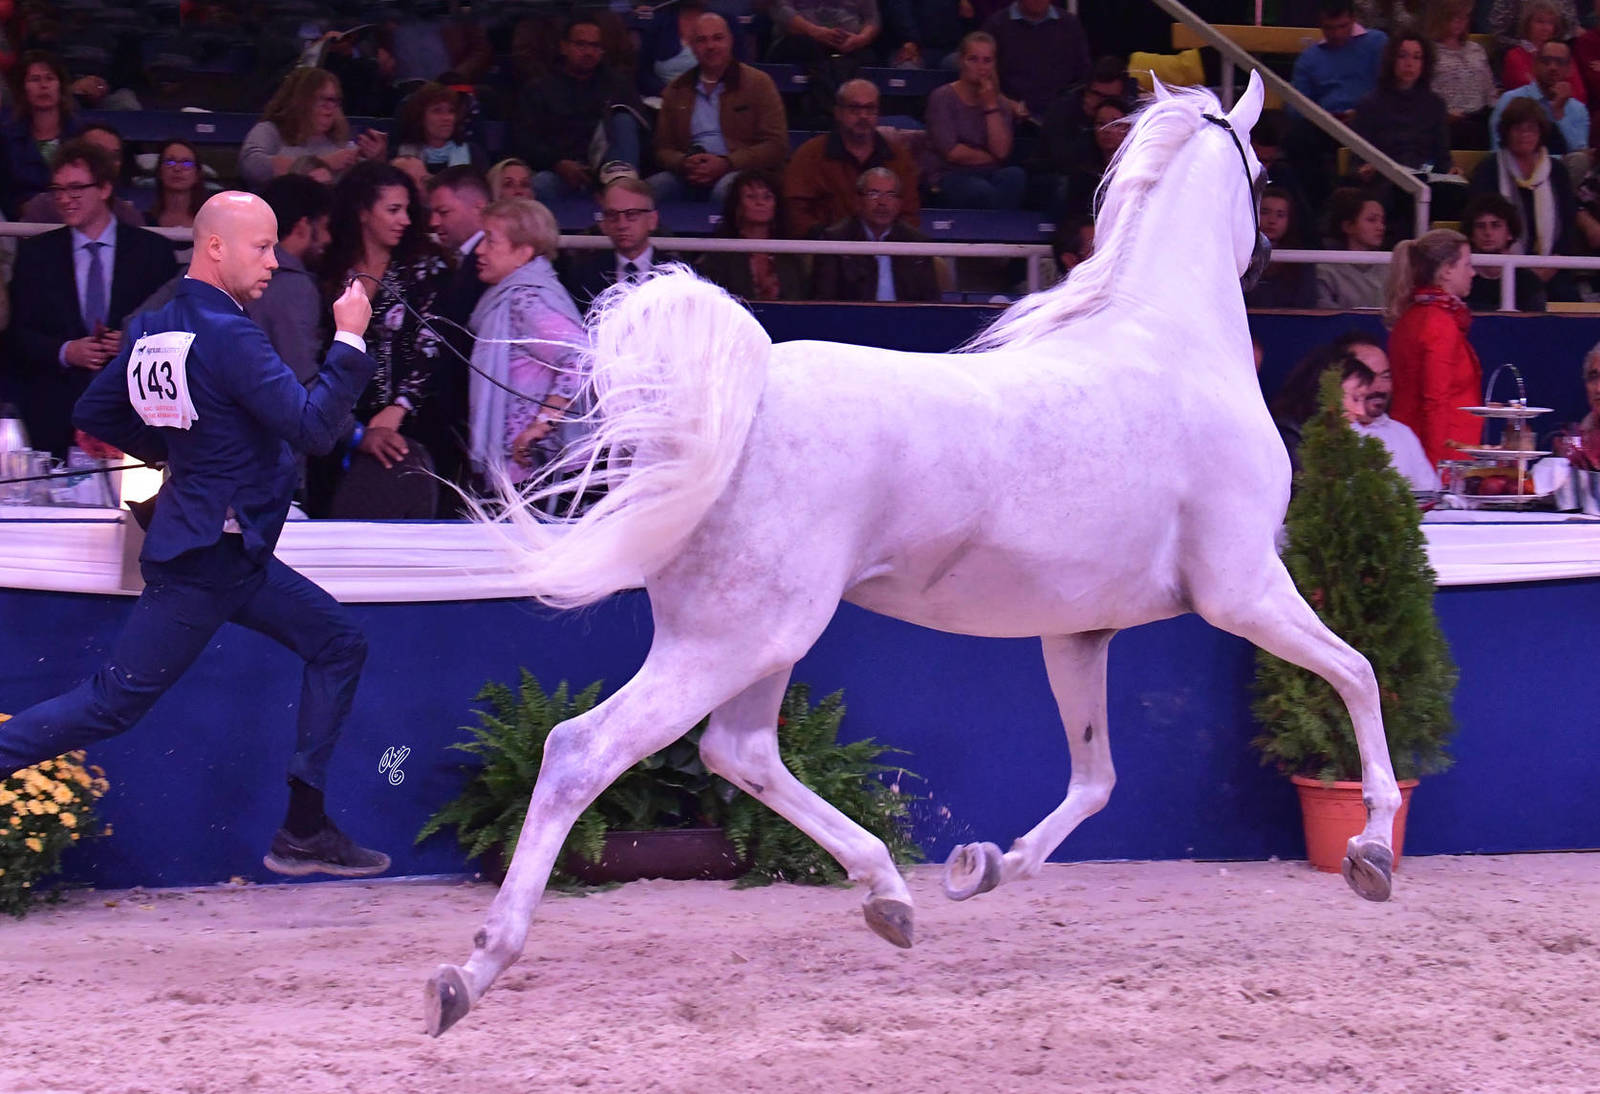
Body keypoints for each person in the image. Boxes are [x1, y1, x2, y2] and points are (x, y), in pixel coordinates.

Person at [0, 191, 390, 879]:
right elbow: (314, 429)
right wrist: (351, 338)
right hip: (208, 558)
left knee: (338, 642)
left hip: (224, 551)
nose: (274, 260)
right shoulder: (230, 334)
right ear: (215, 247)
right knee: (111, 704)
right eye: (261, 246)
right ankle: (302, 828)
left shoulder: (154, 324)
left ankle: (303, 825)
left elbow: (96, 408)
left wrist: (182, 450)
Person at [6, 140, 178, 456]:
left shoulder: (153, 252)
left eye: (75, 189)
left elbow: (176, 331)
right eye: (58, 191)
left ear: (104, 188)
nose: (64, 200)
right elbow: (18, 335)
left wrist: (132, 342)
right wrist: (65, 351)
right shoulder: (36, 254)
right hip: (54, 419)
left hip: (135, 416)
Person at [312, 162, 450, 519]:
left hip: (410, 423)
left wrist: (400, 406)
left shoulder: (424, 266)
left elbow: (432, 344)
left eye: (407, 210)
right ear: (362, 213)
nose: (404, 219)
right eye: (393, 210)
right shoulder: (328, 270)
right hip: (340, 426)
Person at [467, 197, 587, 484]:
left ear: (523, 252)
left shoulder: (527, 300)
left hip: (534, 471)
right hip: (523, 471)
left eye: (490, 241)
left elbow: (582, 358)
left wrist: (542, 424)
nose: (479, 251)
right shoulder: (511, 295)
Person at [650, 14, 789, 204]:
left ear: (730, 41)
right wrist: (683, 162)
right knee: (648, 191)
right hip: (690, 173)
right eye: (701, 40)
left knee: (726, 190)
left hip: (743, 171)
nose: (710, 46)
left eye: (718, 38)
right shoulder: (676, 89)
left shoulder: (759, 83)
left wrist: (727, 163)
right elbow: (663, 149)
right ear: (692, 47)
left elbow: (776, 145)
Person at [515, 17, 643, 203]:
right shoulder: (540, 88)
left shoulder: (619, 86)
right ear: (563, 47)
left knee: (624, 120)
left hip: (610, 175)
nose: (589, 52)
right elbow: (524, 141)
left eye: (595, 46)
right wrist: (557, 163)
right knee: (540, 184)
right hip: (560, 173)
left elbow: (638, 135)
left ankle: (620, 198)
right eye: (581, 45)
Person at [1384, 227, 1483, 466]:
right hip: (1442, 460)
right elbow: (1435, 403)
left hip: (1421, 451)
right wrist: (1435, 470)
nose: (1473, 273)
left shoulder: (1411, 317)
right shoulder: (1439, 324)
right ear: (1447, 270)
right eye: (1467, 265)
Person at [784, 79, 921, 239]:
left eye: (870, 109)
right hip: (824, 249)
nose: (863, 116)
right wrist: (826, 240)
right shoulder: (810, 155)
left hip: (883, 247)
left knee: (937, 264)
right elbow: (794, 210)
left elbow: (909, 212)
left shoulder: (898, 157)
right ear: (838, 112)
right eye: (854, 109)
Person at [1470, 96, 1578, 299]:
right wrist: (1515, 268)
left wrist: (1551, 265)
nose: (1525, 135)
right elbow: (1478, 221)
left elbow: (1568, 225)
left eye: (1531, 129)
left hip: (1553, 269)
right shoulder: (1489, 169)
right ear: (1506, 132)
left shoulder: (1558, 172)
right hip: (1499, 270)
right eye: (1518, 129)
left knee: (1566, 297)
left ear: (1540, 132)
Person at [922, 32, 1026, 210]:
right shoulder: (942, 97)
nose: (981, 67)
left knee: (1015, 176)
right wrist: (990, 158)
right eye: (973, 59)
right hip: (949, 174)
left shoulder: (999, 102)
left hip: (988, 173)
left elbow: (1001, 152)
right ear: (961, 61)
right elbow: (952, 152)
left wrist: (990, 106)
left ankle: (999, 233)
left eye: (987, 60)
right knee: (981, 191)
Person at [239, 68, 388, 191]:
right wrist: (322, 163)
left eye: (334, 101)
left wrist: (377, 160)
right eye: (322, 100)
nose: (330, 108)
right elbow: (252, 167)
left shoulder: (341, 144)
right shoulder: (270, 131)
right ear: (299, 101)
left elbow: (370, 193)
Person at [248, 174, 333, 383]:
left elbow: (153, 314)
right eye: (324, 227)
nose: (327, 238)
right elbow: (302, 379)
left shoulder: (212, 264)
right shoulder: (295, 287)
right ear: (303, 227)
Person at [811, 166, 939, 302]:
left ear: (899, 203)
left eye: (890, 195)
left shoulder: (916, 243)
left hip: (905, 320)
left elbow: (931, 303)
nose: (882, 202)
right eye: (873, 194)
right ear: (858, 200)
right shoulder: (834, 241)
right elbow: (824, 302)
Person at [559, 177, 682, 311]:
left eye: (632, 214)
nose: (622, 224)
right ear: (603, 224)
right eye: (612, 215)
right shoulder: (583, 276)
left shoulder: (678, 277)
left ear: (652, 220)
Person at [697, 170, 809, 301]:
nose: (760, 203)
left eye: (767, 197)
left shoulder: (791, 253)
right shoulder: (720, 253)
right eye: (751, 197)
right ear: (737, 206)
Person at [979, 0, 1091, 120]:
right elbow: (981, 76)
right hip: (1010, 118)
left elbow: (1084, 74)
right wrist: (1004, 103)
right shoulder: (996, 26)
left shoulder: (1069, 24)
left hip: (1061, 118)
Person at [16, 123, 143, 227]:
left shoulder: (129, 217)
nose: (106, 161)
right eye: (97, 151)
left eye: (114, 156)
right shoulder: (42, 209)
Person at [1, 51, 81, 217]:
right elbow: (5, 193)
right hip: (21, 224)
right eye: (35, 79)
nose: (43, 86)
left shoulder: (81, 136)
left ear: (60, 86)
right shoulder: (7, 139)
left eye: (49, 78)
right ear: (23, 89)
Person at [1488, 38, 1589, 154]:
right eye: (1546, 61)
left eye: (1560, 62)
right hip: (1518, 167)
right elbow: (1498, 149)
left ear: (1569, 69)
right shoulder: (1510, 100)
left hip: (1562, 170)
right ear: (1535, 64)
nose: (1553, 67)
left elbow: (1580, 156)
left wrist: (1560, 114)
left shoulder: (1578, 109)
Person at [1428, 0, 1498, 150]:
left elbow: (1489, 89)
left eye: (1464, 17)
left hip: (1480, 120)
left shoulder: (1476, 49)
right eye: (1454, 17)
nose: (1459, 22)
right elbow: (1424, 93)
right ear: (1441, 19)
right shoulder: (1430, 51)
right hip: (1447, 123)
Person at [1460, 191, 1548, 311]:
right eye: (1480, 226)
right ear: (1471, 235)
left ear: (1510, 233)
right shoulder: (1460, 279)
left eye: (1496, 225)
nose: (1488, 233)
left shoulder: (1528, 282)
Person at [1053, 96, 1130, 217]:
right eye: (1100, 123)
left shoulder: (1139, 169)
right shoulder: (1083, 173)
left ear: (1129, 128)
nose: (1106, 130)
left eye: (1115, 124)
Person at [1316, 188, 1390, 310]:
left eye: (1382, 221)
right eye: (1372, 220)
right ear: (1348, 226)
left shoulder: (1390, 267)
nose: (1381, 227)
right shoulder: (1326, 272)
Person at [1246, 185, 1318, 308]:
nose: (1272, 220)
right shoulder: (1238, 256)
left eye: (1280, 215)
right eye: (1264, 212)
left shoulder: (1301, 262)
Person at [393, 82, 487, 176]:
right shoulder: (400, 155)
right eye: (437, 110)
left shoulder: (473, 153)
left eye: (451, 111)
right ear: (420, 117)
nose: (447, 118)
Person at [1501, 1, 1581, 101]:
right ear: (1528, 24)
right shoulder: (1514, 56)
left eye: (1550, 23)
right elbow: (1525, 92)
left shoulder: (1563, 55)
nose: (1546, 28)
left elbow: (1580, 94)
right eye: (1540, 22)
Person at [147, 139, 207, 231]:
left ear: (197, 175)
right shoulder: (143, 221)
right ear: (159, 172)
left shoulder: (210, 221)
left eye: (187, 163)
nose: (177, 168)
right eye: (169, 162)